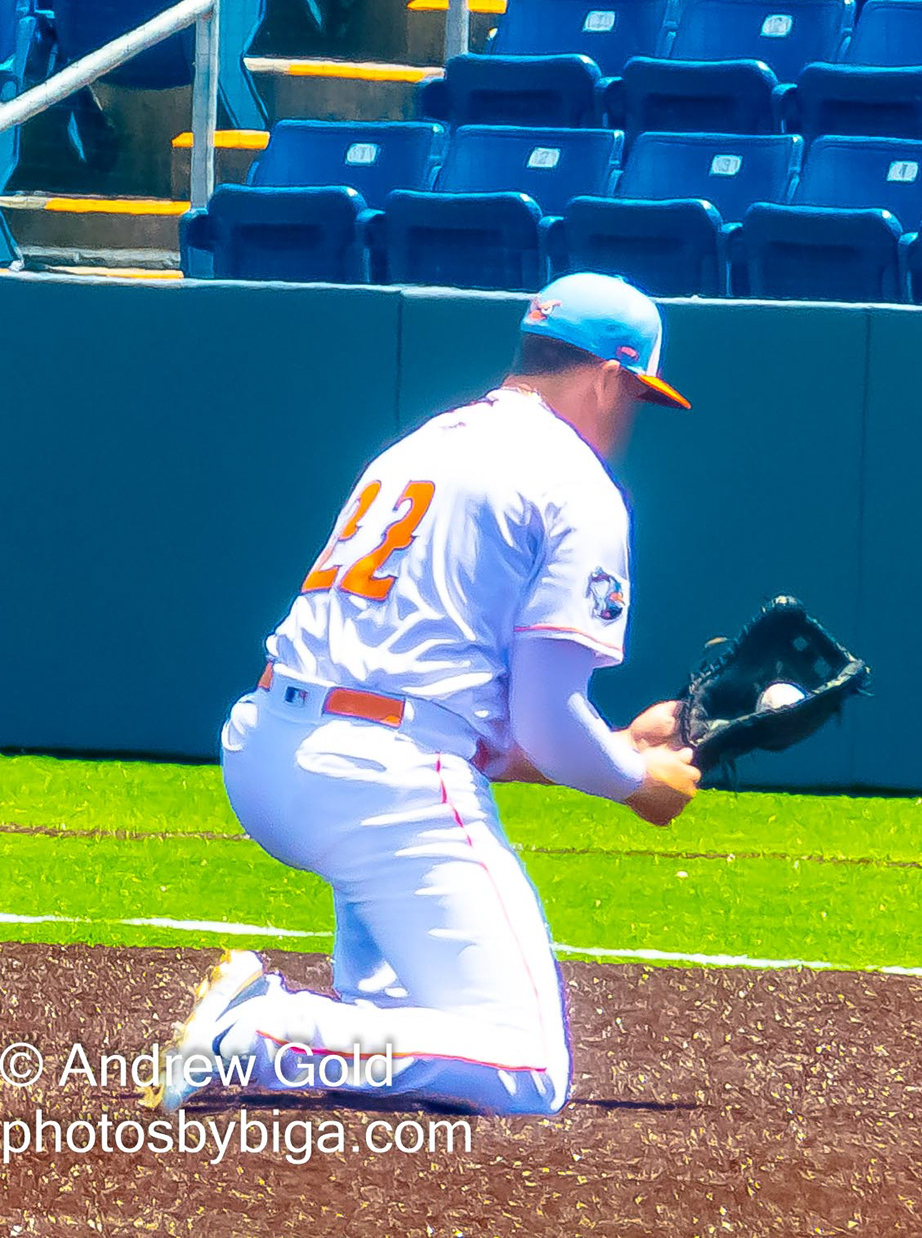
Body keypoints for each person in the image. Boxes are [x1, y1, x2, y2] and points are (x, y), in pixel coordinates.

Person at [142, 272, 704, 1116]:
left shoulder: (423, 445)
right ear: (608, 377)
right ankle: (262, 1030)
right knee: (528, 1069)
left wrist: (621, 741)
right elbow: (546, 723)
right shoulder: (577, 483)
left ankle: (363, 1018)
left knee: (410, 1025)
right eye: (636, 397)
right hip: (382, 779)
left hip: (273, 747)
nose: (631, 421)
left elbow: (475, 719)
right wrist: (635, 782)